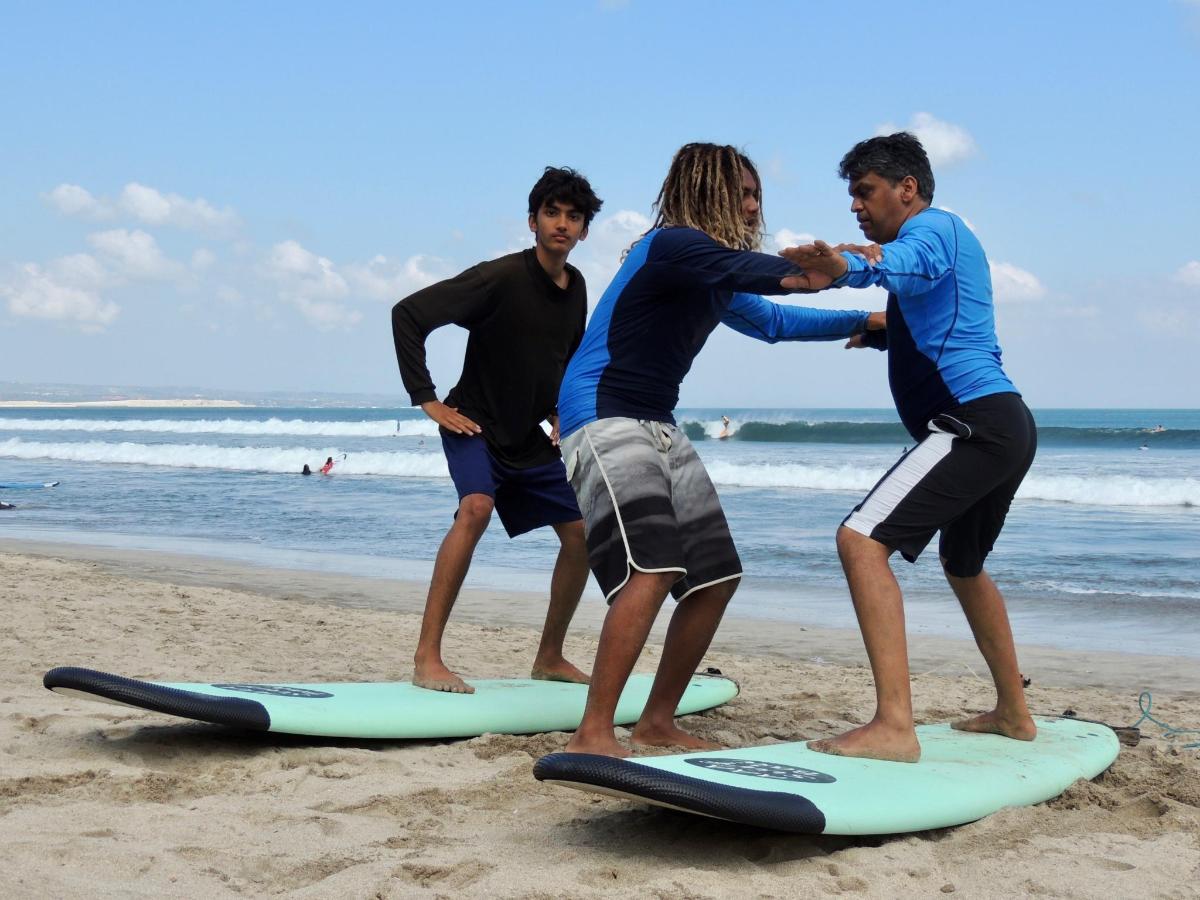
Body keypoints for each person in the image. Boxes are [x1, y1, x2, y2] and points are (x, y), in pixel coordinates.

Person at [556, 142, 881, 757]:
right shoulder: (672, 246)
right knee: (652, 567)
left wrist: (866, 321)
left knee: (715, 577)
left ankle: (655, 721)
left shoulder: (710, 270)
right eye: (743, 192)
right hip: (602, 411)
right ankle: (592, 732)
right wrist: (815, 272)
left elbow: (774, 322)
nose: (754, 204)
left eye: (759, 194)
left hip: (656, 418)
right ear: (703, 190)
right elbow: (767, 276)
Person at [779, 132, 1037, 763]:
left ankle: (895, 725)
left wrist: (850, 269)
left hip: (971, 424)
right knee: (964, 565)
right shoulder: (939, 245)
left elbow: (903, 265)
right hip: (1003, 426)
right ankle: (1014, 712)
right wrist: (880, 333)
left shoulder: (935, 231)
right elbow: (932, 311)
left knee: (861, 541)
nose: (856, 206)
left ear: (908, 188)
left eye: (864, 192)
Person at [391, 166, 604, 693]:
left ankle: (550, 656)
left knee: (581, 534)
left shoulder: (575, 287)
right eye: (551, 213)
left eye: (573, 216)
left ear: (584, 229)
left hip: (525, 437)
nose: (561, 224)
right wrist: (427, 400)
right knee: (476, 508)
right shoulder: (500, 277)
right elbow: (408, 314)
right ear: (532, 220)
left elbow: (562, 356)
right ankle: (427, 658)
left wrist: (560, 409)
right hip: (475, 426)